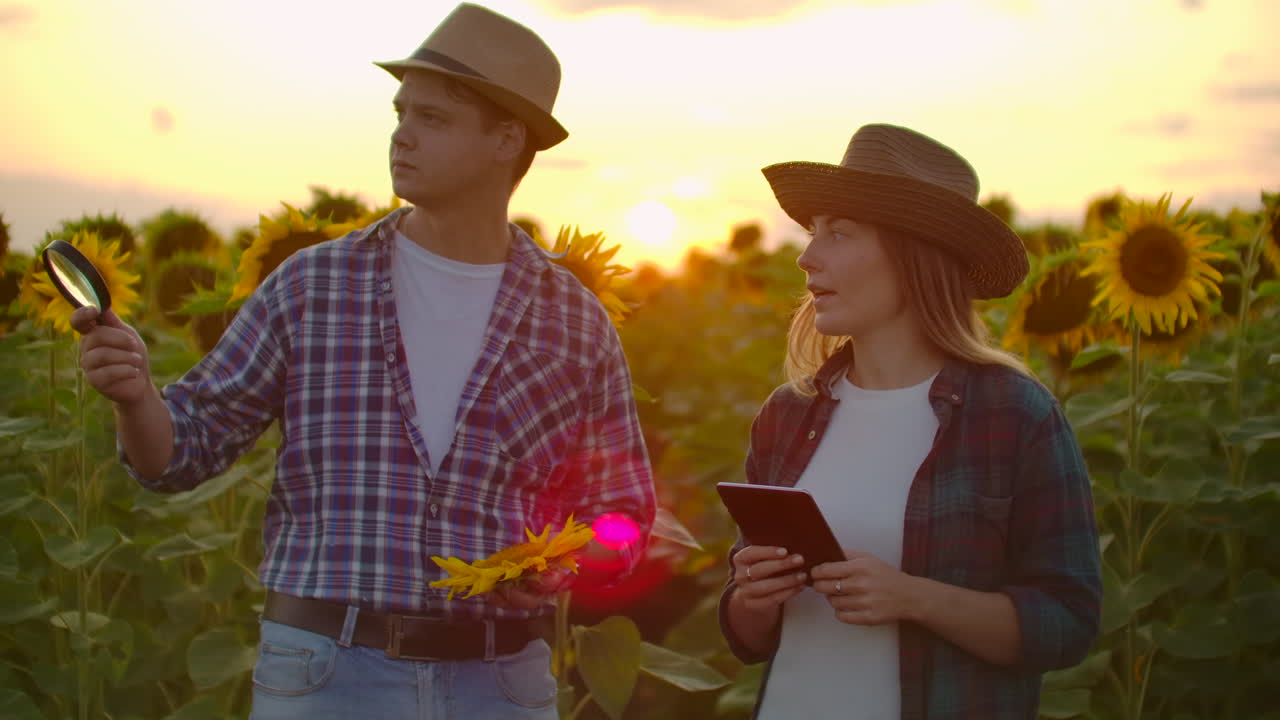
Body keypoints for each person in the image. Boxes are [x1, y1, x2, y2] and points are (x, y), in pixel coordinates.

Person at [71, 4, 655, 718]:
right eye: (401, 113)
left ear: (507, 140)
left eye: (433, 118)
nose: (401, 134)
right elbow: (181, 454)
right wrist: (136, 397)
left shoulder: (575, 320)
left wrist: (566, 565)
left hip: (499, 682)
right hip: (326, 673)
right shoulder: (311, 286)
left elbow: (623, 515)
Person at [718, 124, 1102, 719]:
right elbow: (748, 637)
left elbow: (1067, 625)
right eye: (813, 232)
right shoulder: (788, 415)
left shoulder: (1014, 416)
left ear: (913, 254)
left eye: (839, 233)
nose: (806, 257)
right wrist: (754, 597)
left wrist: (914, 599)